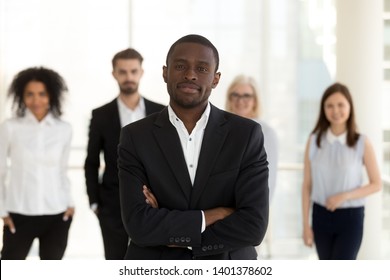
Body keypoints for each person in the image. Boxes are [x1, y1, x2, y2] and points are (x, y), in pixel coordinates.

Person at [118, 34, 269, 260]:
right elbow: (139, 225)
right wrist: (212, 215)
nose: (190, 74)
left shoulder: (246, 135)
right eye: (180, 66)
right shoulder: (135, 137)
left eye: (202, 68)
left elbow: (253, 225)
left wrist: (174, 234)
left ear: (216, 79)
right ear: (165, 73)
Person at [84, 48, 165, 259]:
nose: (128, 77)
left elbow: (169, 159)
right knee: (115, 261)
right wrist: (94, 202)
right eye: (123, 72)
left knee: (152, 262)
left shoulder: (160, 112)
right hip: (112, 205)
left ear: (141, 72)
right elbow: (91, 161)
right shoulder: (100, 115)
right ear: (114, 74)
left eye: (133, 71)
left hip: (155, 203)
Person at [0, 67, 74, 259]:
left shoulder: (63, 129)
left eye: (42, 94)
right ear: (21, 96)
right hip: (19, 213)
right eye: (30, 94)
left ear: (51, 95)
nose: (36, 100)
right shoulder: (10, 128)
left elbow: (61, 171)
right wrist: (2, 211)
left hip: (57, 214)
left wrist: (70, 203)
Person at [301, 82, 381, 260]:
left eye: (340, 105)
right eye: (330, 105)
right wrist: (306, 225)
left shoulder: (362, 142)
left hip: (351, 217)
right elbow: (306, 185)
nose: (335, 110)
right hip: (320, 215)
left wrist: (343, 196)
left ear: (350, 107)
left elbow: (376, 184)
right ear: (323, 109)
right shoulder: (314, 141)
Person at [225, 75, 278, 200]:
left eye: (246, 96)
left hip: (252, 206)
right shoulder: (221, 129)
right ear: (229, 99)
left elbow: (269, 179)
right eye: (235, 95)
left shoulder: (266, 133)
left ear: (255, 101)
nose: (240, 100)